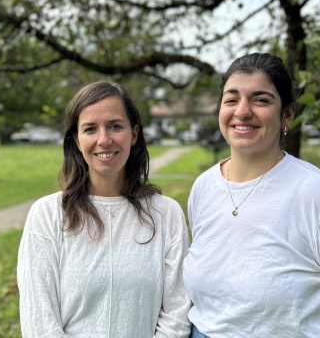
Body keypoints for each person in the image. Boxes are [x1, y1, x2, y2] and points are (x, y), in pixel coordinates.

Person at [183, 53, 320, 338]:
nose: (242, 111)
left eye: (261, 100)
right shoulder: (203, 188)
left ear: (287, 115)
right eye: (231, 99)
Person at [17, 81, 191, 338]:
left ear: (133, 134)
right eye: (90, 129)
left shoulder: (167, 214)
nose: (104, 139)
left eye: (115, 126)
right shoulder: (47, 215)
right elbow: (39, 320)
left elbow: (178, 312)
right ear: (77, 140)